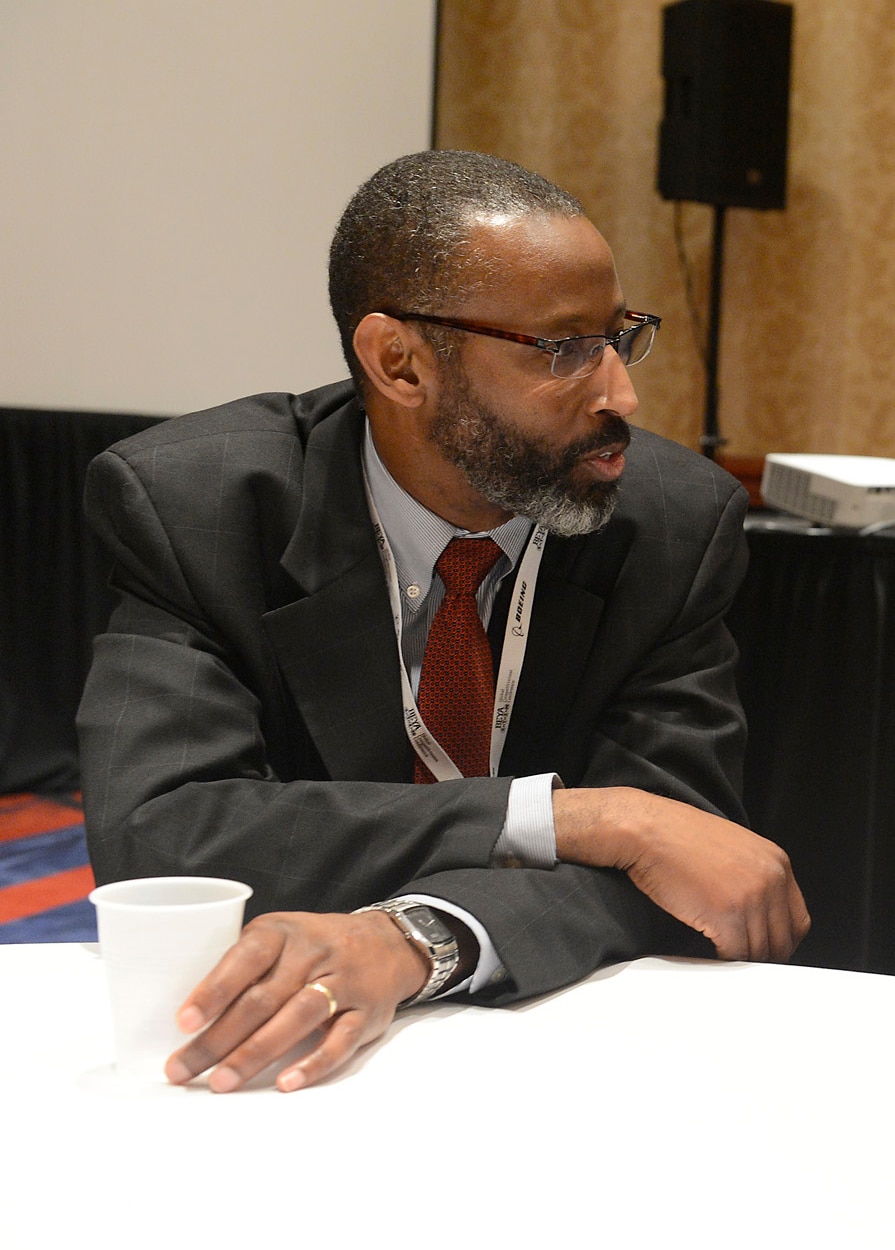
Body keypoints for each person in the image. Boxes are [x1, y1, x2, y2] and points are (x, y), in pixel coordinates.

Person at [78, 150, 810, 1094]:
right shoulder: (201, 506)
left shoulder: (672, 522)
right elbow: (163, 834)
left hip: (572, 1042)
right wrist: (574, 818)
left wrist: (413, 939)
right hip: (279, 1054)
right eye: (561, 348)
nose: (621, 395)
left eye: (619, 337)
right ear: (401, 363)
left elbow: (691, 864)